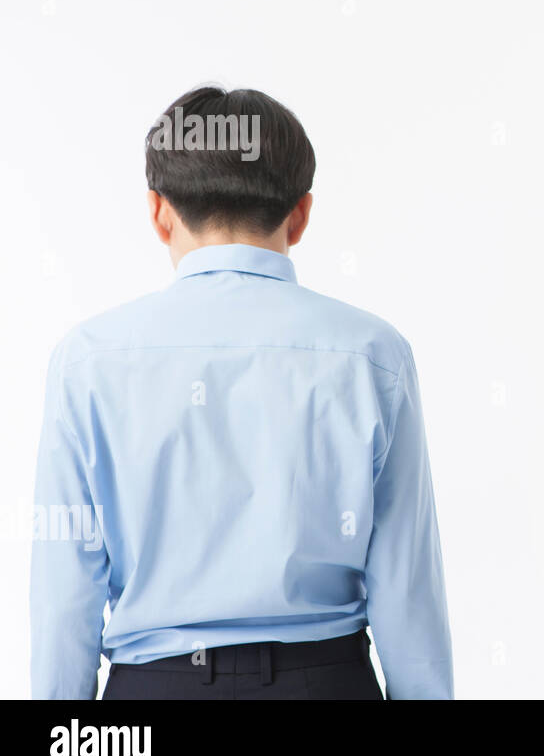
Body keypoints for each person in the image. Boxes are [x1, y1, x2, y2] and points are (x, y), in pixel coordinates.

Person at [30, 85, 453, 699]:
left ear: (158, 212)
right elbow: (406, 583)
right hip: (324, 684)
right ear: (302, 214)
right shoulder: (372, 354)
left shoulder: (89, 359)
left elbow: (65, 592)